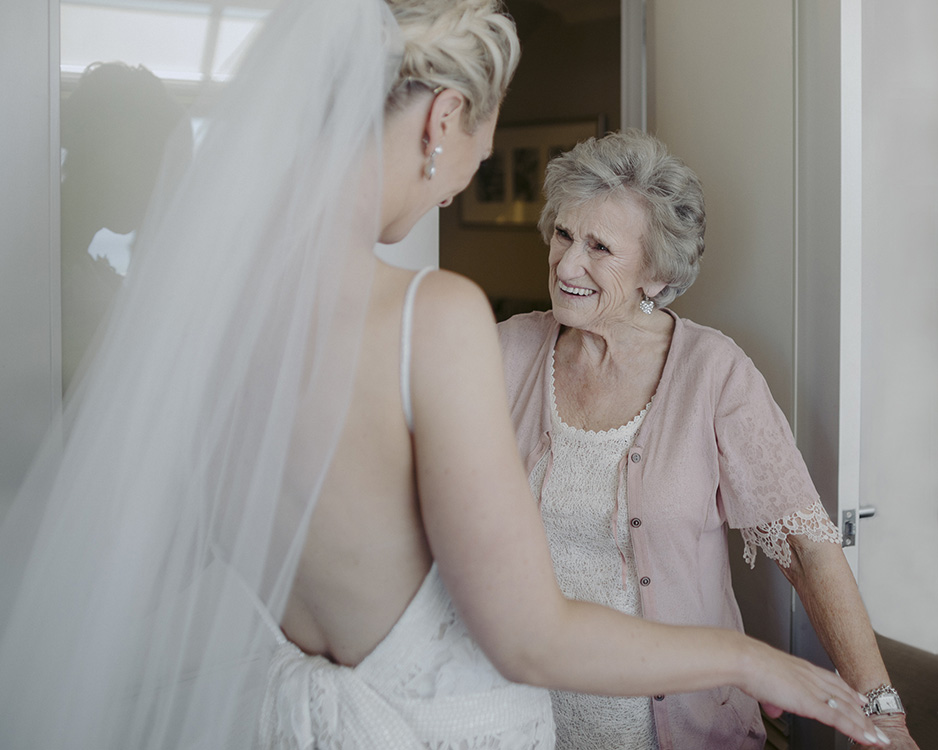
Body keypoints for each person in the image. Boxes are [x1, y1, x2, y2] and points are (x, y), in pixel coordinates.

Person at [0, 3, 888, 749]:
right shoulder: (444, 320)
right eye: (480, 151)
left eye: (599, 246)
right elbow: (528, 636)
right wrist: (749, 659)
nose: (460, 187)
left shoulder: (212, 318)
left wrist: (876, 702)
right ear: (442, 119)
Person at [497, 129, 918, 750]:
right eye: (563, 234)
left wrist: (883, 714)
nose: (565, 265)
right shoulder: (506, 350)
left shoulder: (714, 374)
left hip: (683, 733)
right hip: (522, 728)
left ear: (656, 274)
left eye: (599, 247)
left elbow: (807, 550)